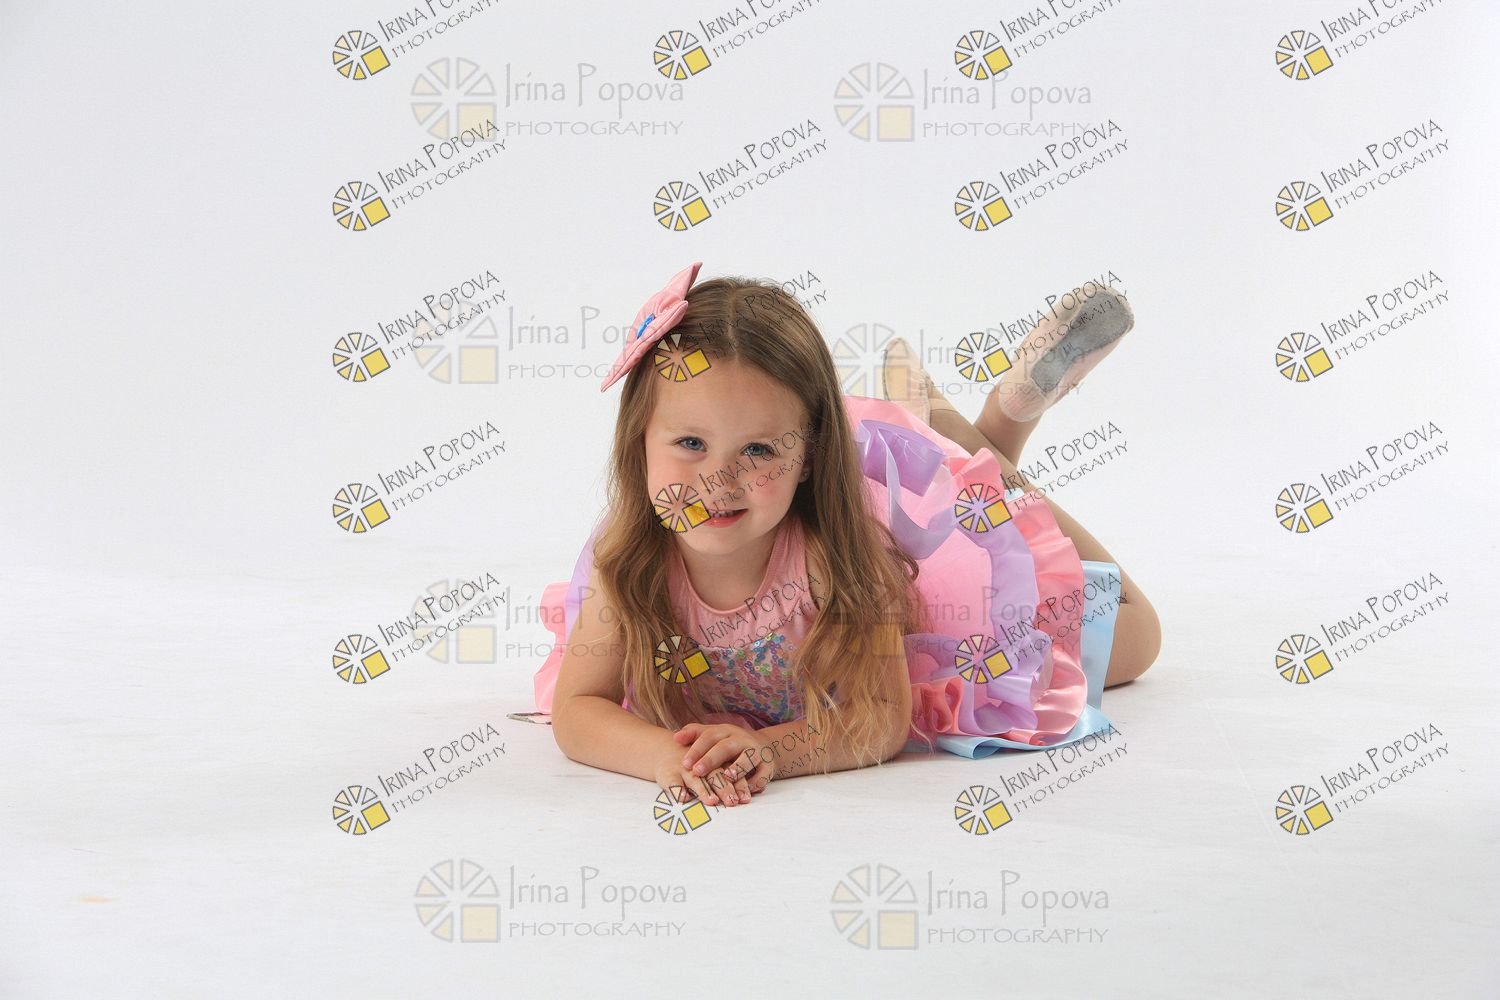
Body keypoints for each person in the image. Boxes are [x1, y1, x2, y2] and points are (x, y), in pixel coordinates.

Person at [528, 261, 1161, 808]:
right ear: (638, 442)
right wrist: (665, 756)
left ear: (808, 457)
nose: (719, 480)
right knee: (987, 502)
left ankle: (983, 436)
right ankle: (956, 439)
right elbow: (579, 709)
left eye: (757, 450)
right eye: (690, 443)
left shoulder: (839, 561)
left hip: (944, 625)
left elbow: (879, 719)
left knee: (1137, 639)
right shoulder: (630, 563)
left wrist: (772, 751)